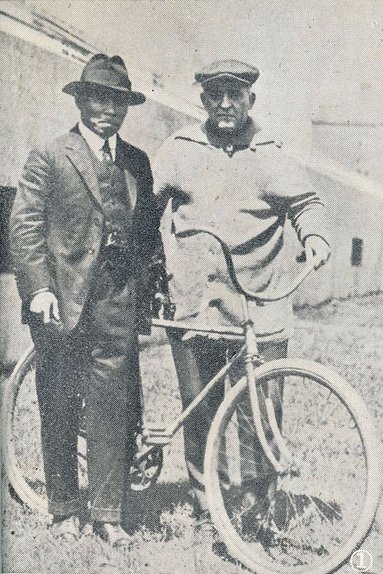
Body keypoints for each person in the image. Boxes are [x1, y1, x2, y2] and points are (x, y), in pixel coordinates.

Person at [153, 59, 331, 537]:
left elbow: (307, 205)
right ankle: (204, 502)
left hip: (258, 305)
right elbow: (142, 208)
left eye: (235, 95)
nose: (225, 104)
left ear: (251, 98)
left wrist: (315, 238)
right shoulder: (179, 149)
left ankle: (254, 512)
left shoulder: (271, 152)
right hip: (194, 304)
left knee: (259, 412)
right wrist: (151, 262)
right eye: (215, 95)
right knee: (199, 406)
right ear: (204, 100)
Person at [10, 54, 160, 547]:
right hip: (61, 300)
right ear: (79, 101)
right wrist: (39, 289)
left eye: (117, 102)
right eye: (97, 99)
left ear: (125, 108)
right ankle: (64, 507)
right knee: (58, 401)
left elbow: (147, 234)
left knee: (110, 406)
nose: (107, 110)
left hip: (117, 298)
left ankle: (107, 514)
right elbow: (25, 226)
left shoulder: (136, 161)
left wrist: (150, 287)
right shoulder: (50, 155)